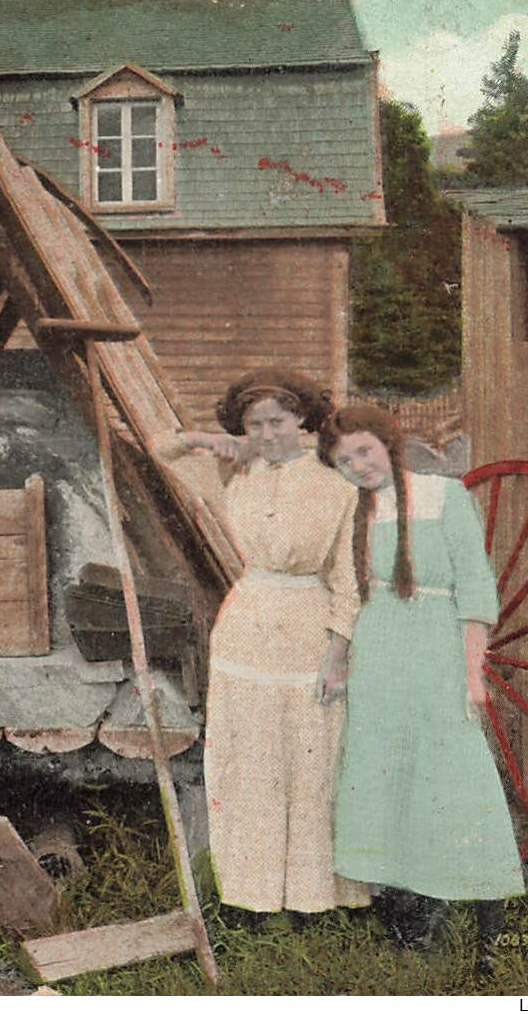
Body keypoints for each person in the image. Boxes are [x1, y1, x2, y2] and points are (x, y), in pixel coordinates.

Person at [317, 404, 524, 968]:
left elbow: (476, 587)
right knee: (389, 774)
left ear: (387, 441)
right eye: (343, 461)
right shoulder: (355, 512)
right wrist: (341, 662)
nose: (359, 466)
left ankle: (486, 913)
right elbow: (348, 592)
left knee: (454, 773)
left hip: (437, 647)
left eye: (364, 451)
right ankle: (412, 917)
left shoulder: (444, 495)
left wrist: (471, 671)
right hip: (380, 650)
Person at [167, 369, 370, 916]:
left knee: (310, 765)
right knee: (247, 763)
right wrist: (215, 441)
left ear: (303, 419)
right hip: (246, 627)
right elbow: (167, 452)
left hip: (306, 629)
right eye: (254, 424)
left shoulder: (337, 485)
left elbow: (347, 579)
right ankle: (249, 896)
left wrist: (337, 654)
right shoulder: (238, 473)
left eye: (277, 421)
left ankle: (313, 898)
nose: (267, 434)